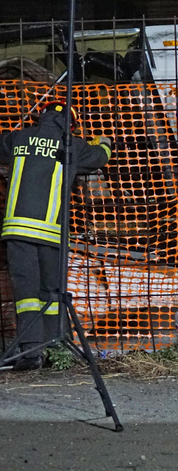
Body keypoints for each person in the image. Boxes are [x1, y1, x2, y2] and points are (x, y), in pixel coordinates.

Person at [0, 100, 112, 370]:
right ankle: (55, 347)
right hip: (52, 234)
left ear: (41, 116)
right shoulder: (72, 145)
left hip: (18, 230)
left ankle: (30, 354)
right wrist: (104, 140)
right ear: (71, 124)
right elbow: (101, 157)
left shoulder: (19, 138)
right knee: (51, 292)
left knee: (26, 294)